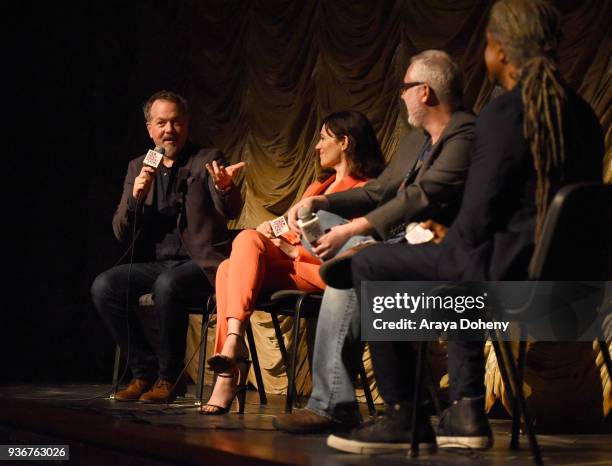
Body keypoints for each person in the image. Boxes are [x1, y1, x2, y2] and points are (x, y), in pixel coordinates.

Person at [326, 0, 604, 454]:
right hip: (575, 290)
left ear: (500, 49)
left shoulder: (503, 114)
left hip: (510, 280)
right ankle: (465, 409)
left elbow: (474, 227)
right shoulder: (582, 115)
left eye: (488, 44)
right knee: (453, 267)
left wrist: (415, 248)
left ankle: (403, 414)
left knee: (375, 265)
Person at [273, 50, 475, 433]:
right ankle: (334, 401)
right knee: (333, 234)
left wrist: (353, 231)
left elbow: (423, 197)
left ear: (426, 92)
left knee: (354, 269)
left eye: (406, 88)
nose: (400, 96)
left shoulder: (465, 135)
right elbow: (379, 191)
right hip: (398, 242)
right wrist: (322, 200)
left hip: (438, 249)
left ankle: (335, 404)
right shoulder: (416, 141)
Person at [199, 110, 386, 415]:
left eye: (323, 138)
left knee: (235, 259)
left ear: (344, 142)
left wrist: (292, 252)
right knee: (232, 259)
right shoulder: (317, 188)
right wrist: (267, 231)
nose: (317, 146)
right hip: (294, 266)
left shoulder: (364, 191)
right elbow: (285, 226)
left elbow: (352, 251)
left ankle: (230, 367)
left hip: (324, 274)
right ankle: (233, 348)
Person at [91, 90, 244, 403]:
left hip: (200, 264)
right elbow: (121, 231)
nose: (169, 130)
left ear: (186, 125)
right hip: (157, 262)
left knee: (167, 286)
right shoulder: (138, 167)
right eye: (161, 123)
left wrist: (226, 187)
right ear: (150, 128)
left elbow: (230, 210)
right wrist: (136, 196)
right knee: (105, 286)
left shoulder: (207, 159)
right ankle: (143, 372)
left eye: (176, 122)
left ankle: (169, 378)